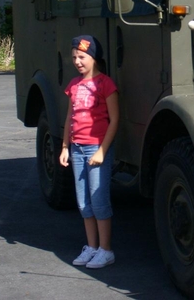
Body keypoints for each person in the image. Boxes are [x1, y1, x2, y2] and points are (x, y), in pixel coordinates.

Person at [59, 35, 119, 269]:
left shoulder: (105, 84)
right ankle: (92, 247)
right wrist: (65, 147)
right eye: (74, 57)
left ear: (94, 58)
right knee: (84, 202)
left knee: (99, 200)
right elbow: (69, 118)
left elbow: (114, 120)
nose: (77, 61)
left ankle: (106, 250)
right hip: (77, 149)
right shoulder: (74, 85)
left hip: (96, 149)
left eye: (82, 57)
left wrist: (102, 151)